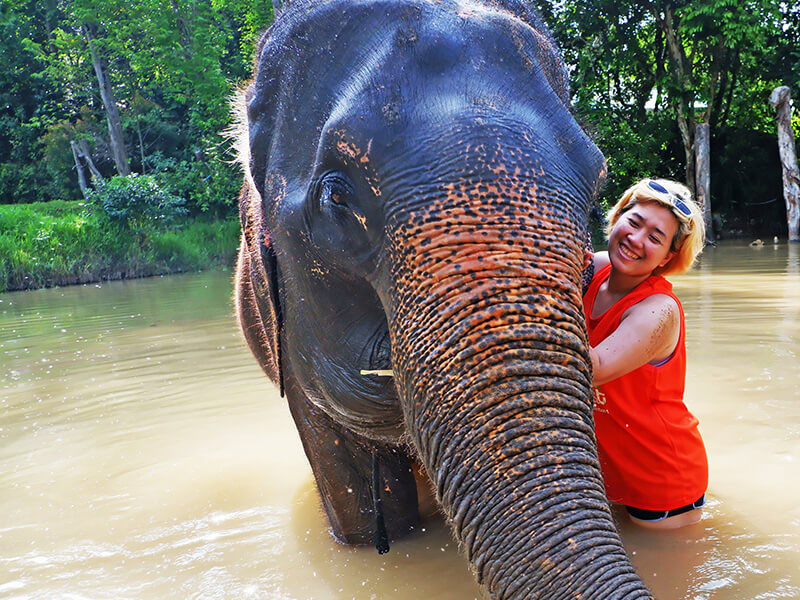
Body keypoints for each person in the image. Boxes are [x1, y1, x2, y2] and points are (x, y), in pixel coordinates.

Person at [582, 178, 708, 530]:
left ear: (668, 256)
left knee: (664, 583)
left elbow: (594, 368)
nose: (636, 240)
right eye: (634, 223)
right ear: (618, 216)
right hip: (610, 474)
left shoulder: (658, 310)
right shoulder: (594, 268)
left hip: (663, 483)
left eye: (655, 237)